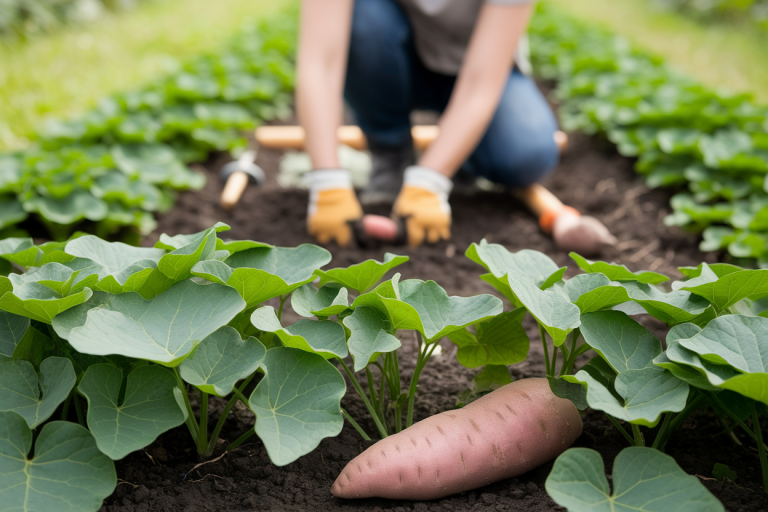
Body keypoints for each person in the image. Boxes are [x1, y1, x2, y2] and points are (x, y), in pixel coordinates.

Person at [297, 0, 559, 247]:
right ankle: (390, 152)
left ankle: (459, 156)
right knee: (364, 18)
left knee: (525, 155)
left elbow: (481, 84)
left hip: (473, 65)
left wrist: (430, 180)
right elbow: (321, 61)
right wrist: (327, 182)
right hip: (389, 61)